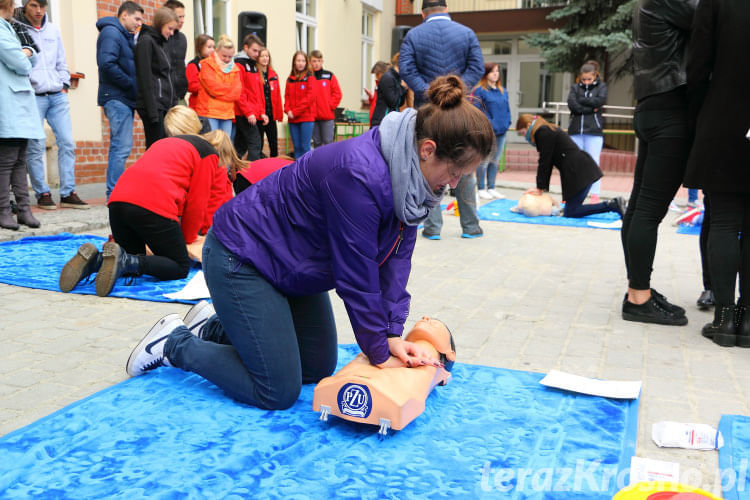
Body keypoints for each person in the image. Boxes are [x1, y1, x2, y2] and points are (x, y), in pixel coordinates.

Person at [123, 76, 494, 413]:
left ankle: (217, 326)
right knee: (276, 390)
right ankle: (174, 343)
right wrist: (380, 353)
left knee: (316, 366)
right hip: (242, 257)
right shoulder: (359, 175)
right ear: (427, 149)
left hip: (292, 267)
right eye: (456, 172)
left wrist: (393, 333)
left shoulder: (410, 176)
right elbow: (358, 276)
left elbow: (396, 260)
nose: (454, 182)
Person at [58, 129, 245, 297]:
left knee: (129, 259)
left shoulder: (166, 143)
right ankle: (124, 260)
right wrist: (187, 238)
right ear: (221, 153)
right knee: (179, 266)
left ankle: (96, 260)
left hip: (118, 202)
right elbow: (197, 203)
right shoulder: (208, 155)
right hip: (152, 204)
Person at [620, 0, 697, 326]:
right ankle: (638, 297)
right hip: (669, 108)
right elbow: (708, 16)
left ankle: (639, 290)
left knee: (640, 206)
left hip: (653, 103)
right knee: (649, 209)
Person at [683, 0, 750, 347]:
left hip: (724, 116)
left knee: (724, 221)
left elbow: (698, 64)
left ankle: (725, 320)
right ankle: (747, 319)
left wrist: (699, 114)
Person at [399, 0, 485, 241]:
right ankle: (470, 226)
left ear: (422, 13)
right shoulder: (466, 33)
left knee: (427, 163)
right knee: (464, 163)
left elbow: (406, 69)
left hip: (427, 111)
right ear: (446, 9)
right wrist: (456, 90)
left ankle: (432, 226)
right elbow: (477, 67)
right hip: (459, 109)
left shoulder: (414, 35)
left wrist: (429, 92)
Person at [15, 0, 89, 209]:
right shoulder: (18, 29)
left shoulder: (53, 30)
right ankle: (43, 193)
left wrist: (64, 84)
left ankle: (68, 192)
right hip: (34, 96)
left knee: (67, 142)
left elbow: (61, 61)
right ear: (25, 6)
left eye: (42, 6)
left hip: (57, 95)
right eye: (33, 6)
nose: (39, 11)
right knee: (36, 145)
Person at [515, 114, 625, 219]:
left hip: (579, 171)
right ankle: (612, 204)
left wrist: (539, 188)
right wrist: (541, 187)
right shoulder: (546, 129)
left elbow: (545, 161)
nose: (524, 137)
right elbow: (547, 162)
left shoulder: (542, 132)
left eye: (523, 133)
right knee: (571, 210)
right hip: (580, 168)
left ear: (529, 125)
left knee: (571, 211)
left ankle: (611, 205)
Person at [0, 0, 43, 230]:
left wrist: (26, 53)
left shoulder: (7, 26)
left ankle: (24, 210)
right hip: (8, 103)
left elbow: (33, 55)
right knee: (6, 161)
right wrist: (26, 53)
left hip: (19, 103)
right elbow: (23, 63)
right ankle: (4, 211)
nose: (17, 6)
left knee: (19, 160)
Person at [96, 1, 144, 200]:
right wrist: (130, 84)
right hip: (116, 97)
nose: (139, 23)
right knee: (121, 146)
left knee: (122, 145)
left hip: (122, 97)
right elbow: (106, 63)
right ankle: (113, 193)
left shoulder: (124, 36)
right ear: (124, 15)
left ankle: (114, 191)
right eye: (137, 18)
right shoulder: (112, 32)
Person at [135, 7, 178, 148]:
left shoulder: (161, 43)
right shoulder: (146, 41)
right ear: (161, 23)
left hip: (163, 105)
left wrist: (173, 104)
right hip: (154, 107)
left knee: (164, 148)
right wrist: (153, 112)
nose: (171, 33)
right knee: (156, 148)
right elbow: (145, 77)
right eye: (170, 28)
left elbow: (168, 76)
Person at [567, 62, 607, 204]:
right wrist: (590, 108)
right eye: (583, 79)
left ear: (594, 76)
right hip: (575, 131)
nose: (586, 82)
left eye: (589, 79)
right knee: (573, 163)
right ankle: (571, 193)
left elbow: (600, 100)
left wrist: (582, 102)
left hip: (594, 132)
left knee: (593, 163)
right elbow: (572, 104)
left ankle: (594, 194)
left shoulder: (601, 87)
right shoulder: (575, 88)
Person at [472, 62, 511, 200]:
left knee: (495, 160)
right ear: (486, 74)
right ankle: (481, 188)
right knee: (484, 160)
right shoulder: (480, 91)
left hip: (502, 131)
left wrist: (507, 122)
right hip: (488, 131)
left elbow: (507, 109)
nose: (496, 74)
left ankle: (492, 187)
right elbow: (478, 111)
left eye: (497, 71)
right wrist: (490, 124)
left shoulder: (502, 91)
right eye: (492, 71)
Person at [194, 35, 241, 136]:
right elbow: (213, 88)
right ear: (216, 51)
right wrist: (229, 89)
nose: (227, 59)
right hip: (208, 112)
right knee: (211, 144)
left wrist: (218, 95)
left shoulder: (235, 68)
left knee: (224, 146)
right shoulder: (206, 64)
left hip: (227, 114)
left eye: (230, 57)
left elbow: (237, 93)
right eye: (224, 56)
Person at [233, 34, 265, 161]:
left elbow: (256, 93)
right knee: (255, 143)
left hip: (251, 113)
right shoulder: (239, 65)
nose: (257, 54)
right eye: (254, 50)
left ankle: (238, 174)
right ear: (245, 48)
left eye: (259, 51)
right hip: (244, 113)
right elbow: (240, 92)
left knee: (240, 146)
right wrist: (249, 113)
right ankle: (252, 176)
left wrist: (261, 112)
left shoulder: (253, 65)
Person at [284, 51, 315, 159]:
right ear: (294, 62)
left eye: (303, 61)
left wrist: (295, 112)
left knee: (305, 146)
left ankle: (306, 171)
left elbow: (309, 98)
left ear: (306, 63)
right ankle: (297, 172)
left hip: (306, 118)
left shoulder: (310, 77)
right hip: (293, 119)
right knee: (296, 147)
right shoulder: (290, 79)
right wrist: (287, 110)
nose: (300, 63)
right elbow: (286, 97)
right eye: (298, 61)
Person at [309, 50, 342, 149]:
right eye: (314, 61)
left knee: (328, 142)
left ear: (322, 61)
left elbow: (337, 93)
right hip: (313, 117)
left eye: (319, 61)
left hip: (327, 116)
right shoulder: (308, 76)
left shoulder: (329, 75)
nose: (316, 63)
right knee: (316, 143)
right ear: (310, 62)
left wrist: (330, 105)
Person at [255, 48, 283, 157]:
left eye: (267, 56)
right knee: (259, 144)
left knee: (273, 143)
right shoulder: (255, 74)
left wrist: (279, 114)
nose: (265, 58)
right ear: (258, 58)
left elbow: (277, 96)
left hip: (271, 114)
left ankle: (274, 167)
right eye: (262, 56)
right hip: (259, 115)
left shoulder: (273, 74)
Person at [371, 53, 407, 127]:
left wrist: (403, 89)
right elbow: (392, 102)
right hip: (381, 122)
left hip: (391, 121)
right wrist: (402, 87)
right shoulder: (387, 78)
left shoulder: (397, 78)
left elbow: (400, 103)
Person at [164, 0, 187, 102]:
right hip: (163, 96)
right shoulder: (157, 38)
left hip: (179, 95)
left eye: (183, 17)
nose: (182, 20)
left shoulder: (182, 38)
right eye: (179, 17)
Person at [186, 34, 213, 111]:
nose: (212, 50)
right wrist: (209, 86)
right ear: (200, 47)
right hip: (198, 106)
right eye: (209, 47)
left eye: (213, 47)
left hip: (212, 107)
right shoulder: (193, 64)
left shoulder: (214, 64)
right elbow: (191, 86)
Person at [366, 60, 389, 126]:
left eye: (377, 74)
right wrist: (371, 98)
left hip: (380, 121)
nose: (376, 77)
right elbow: (376, 102)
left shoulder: (386, 85)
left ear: (383, 72)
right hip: (374, 120)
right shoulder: (378, 85)